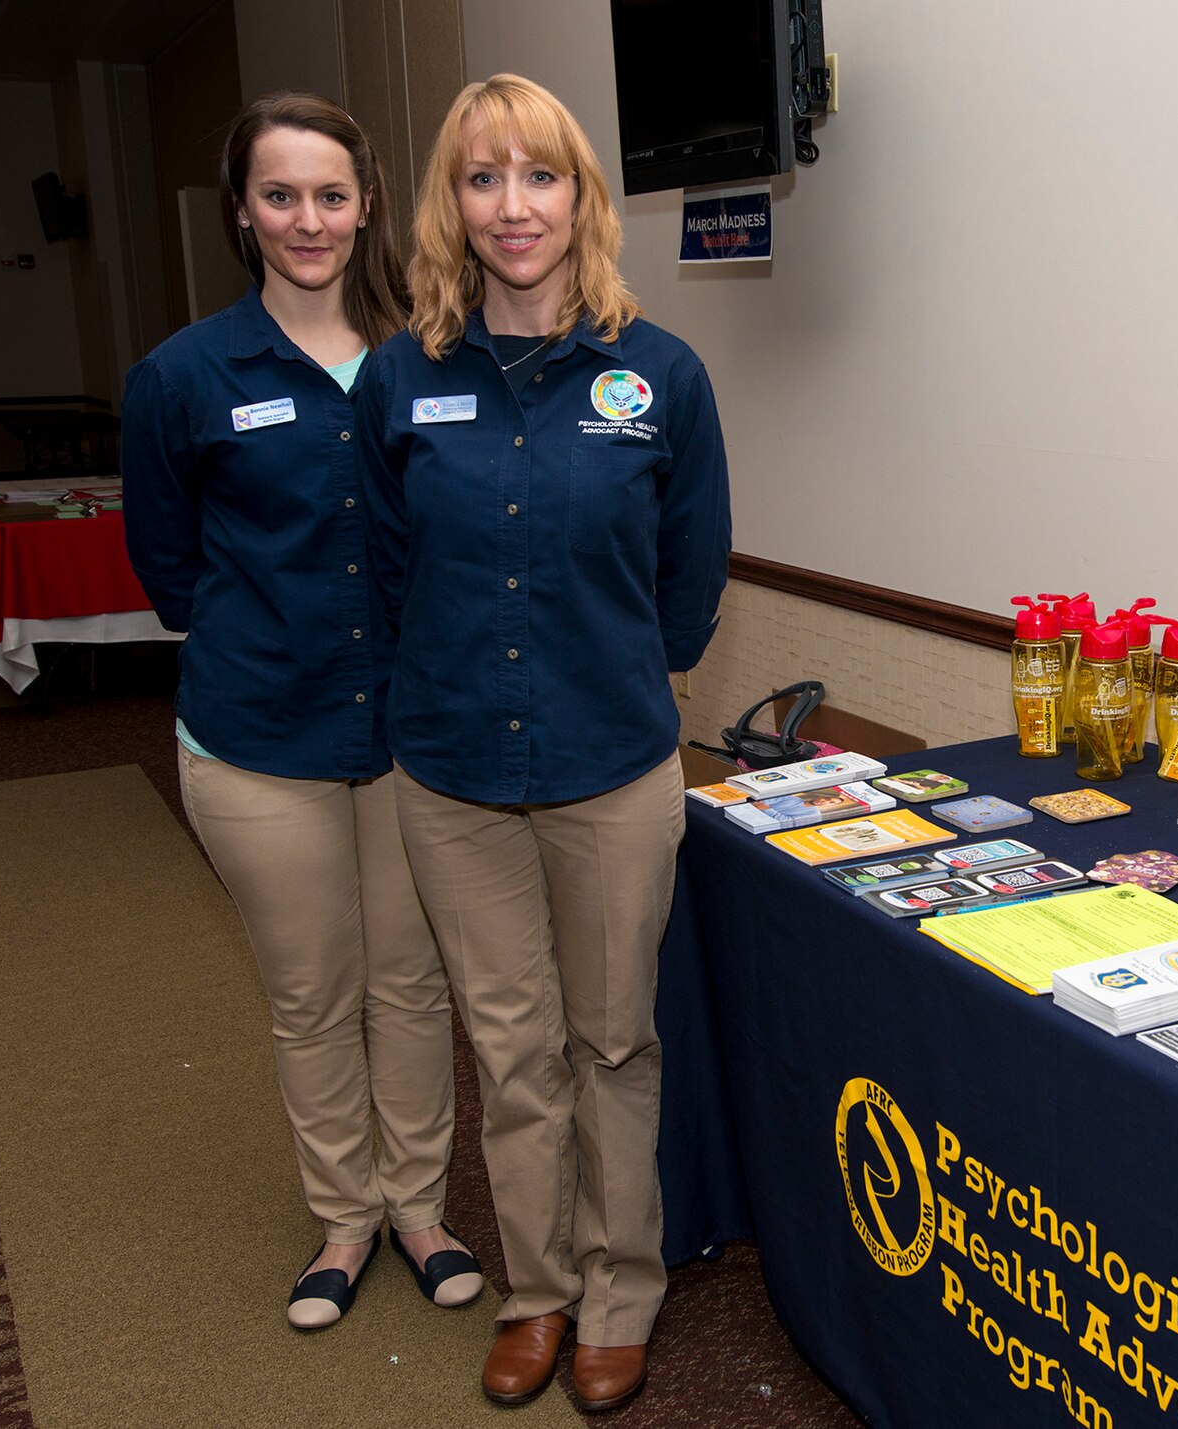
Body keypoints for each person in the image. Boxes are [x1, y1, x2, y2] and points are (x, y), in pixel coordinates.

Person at [355, 74, 731, 1413]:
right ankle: (540, 1291)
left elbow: (690, 579)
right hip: (452, 773)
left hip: (612, 766)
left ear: (582, 196)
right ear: (450, 205)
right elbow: (387, 567)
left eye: (539, 175)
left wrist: (619, 672)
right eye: (481, 178)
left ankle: (623, 1290)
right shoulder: (403, 375)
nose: (512, 206)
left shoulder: (659, 377)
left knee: (612, 1042)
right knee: (511, 1053)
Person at [123, 92, 481, 1330]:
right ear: (242, 212)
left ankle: (422, 1207)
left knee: (411, 982)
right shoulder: (181, 377)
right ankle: (344, 1220)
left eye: (331, 194)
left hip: (410, 736)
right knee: (312, 991)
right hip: (257, 737)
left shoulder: (431, 358)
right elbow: (169, 572)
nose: (308, 220)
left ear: (367, 203)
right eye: (280, 195)